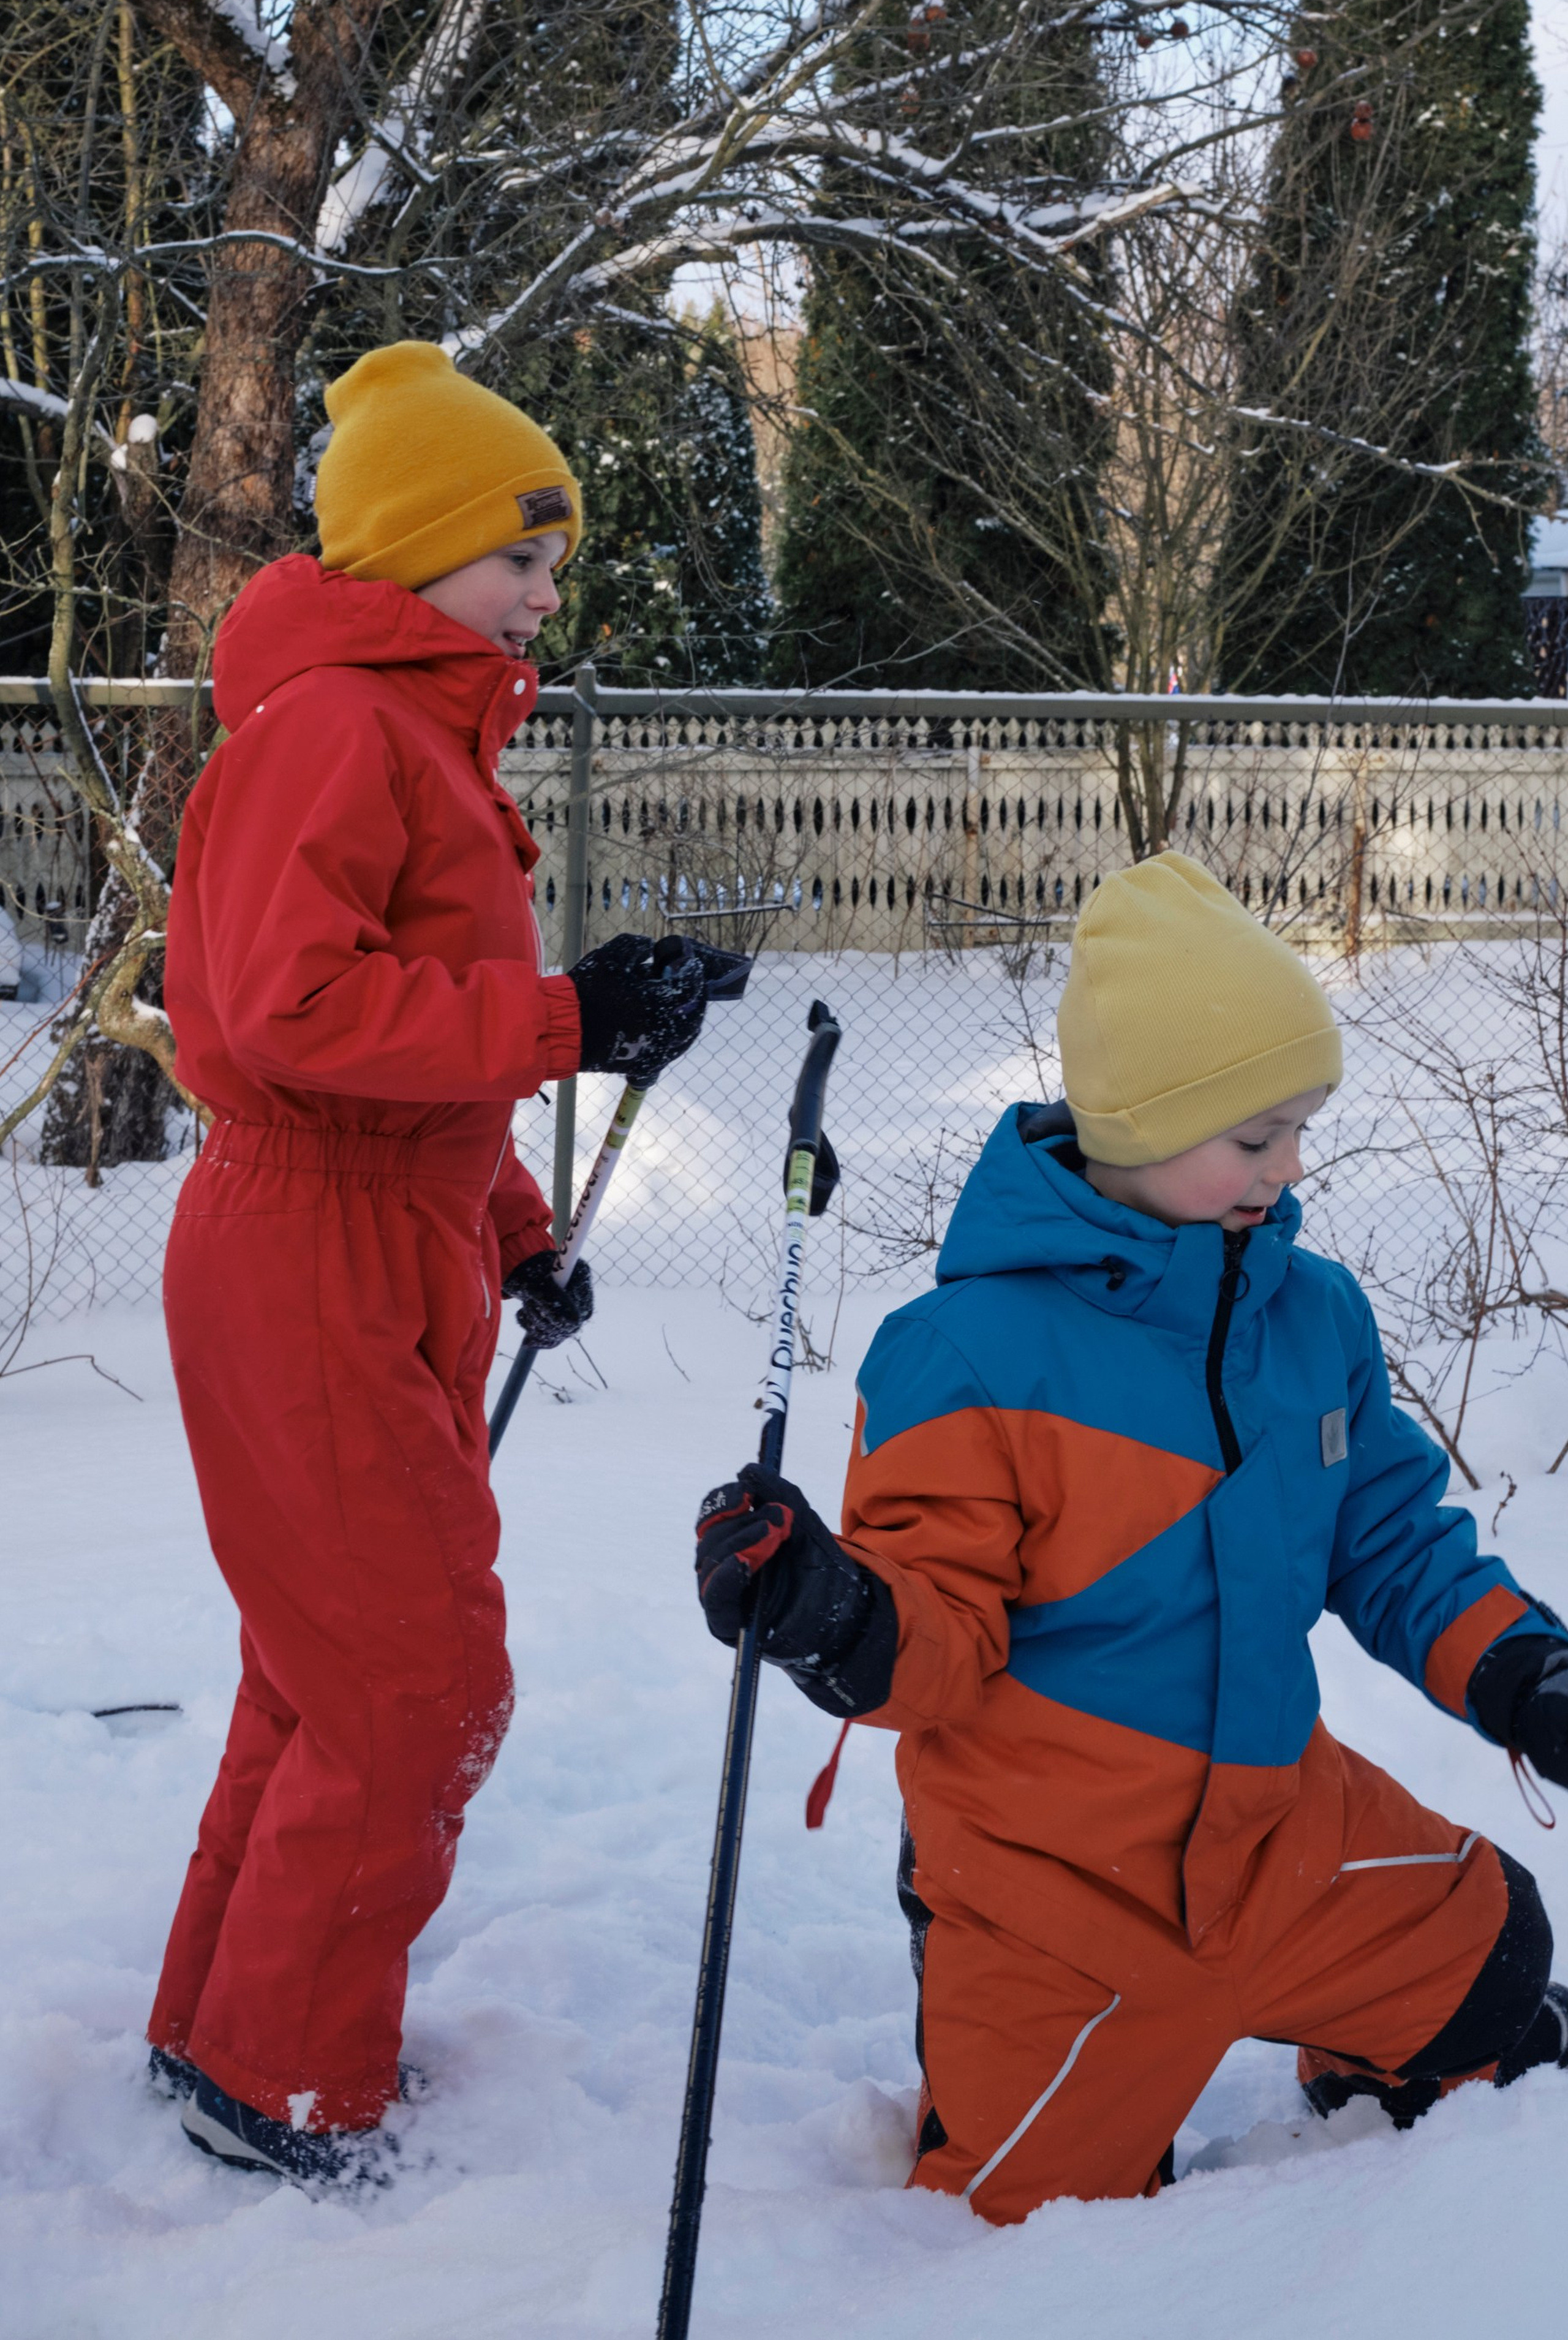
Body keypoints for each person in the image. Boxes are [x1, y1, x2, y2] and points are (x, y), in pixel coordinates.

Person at [694, 852, 1568, 2223]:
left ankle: (1335, 2035)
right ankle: (1056, 2066)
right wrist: (830, 1611)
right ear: (1136, 1124)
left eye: (1299, 1129)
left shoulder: (1309, 1315)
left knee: (1499, 1958)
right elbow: (936, 1632)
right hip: (1056, 1898)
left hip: (1282, 1842)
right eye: (1253, 1135)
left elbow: (1388, 1541)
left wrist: (1520, 1673)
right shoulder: (966, 1357)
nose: (1287, 1170)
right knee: (1024, 2239)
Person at [151, 341, 709, 2184]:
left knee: (324, 1674)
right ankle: (282, 2082)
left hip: (383, 1243)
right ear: (412, 555)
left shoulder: (423, 737)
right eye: (521, 554)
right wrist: (565, 1017)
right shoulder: (337, 729)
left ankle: (224, 2029)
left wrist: (518, 1233)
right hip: (301, 1255)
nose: (550, 590)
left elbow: (422, 1071)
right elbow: (293, 1011)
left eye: (553, 559)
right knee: (415, 1686)